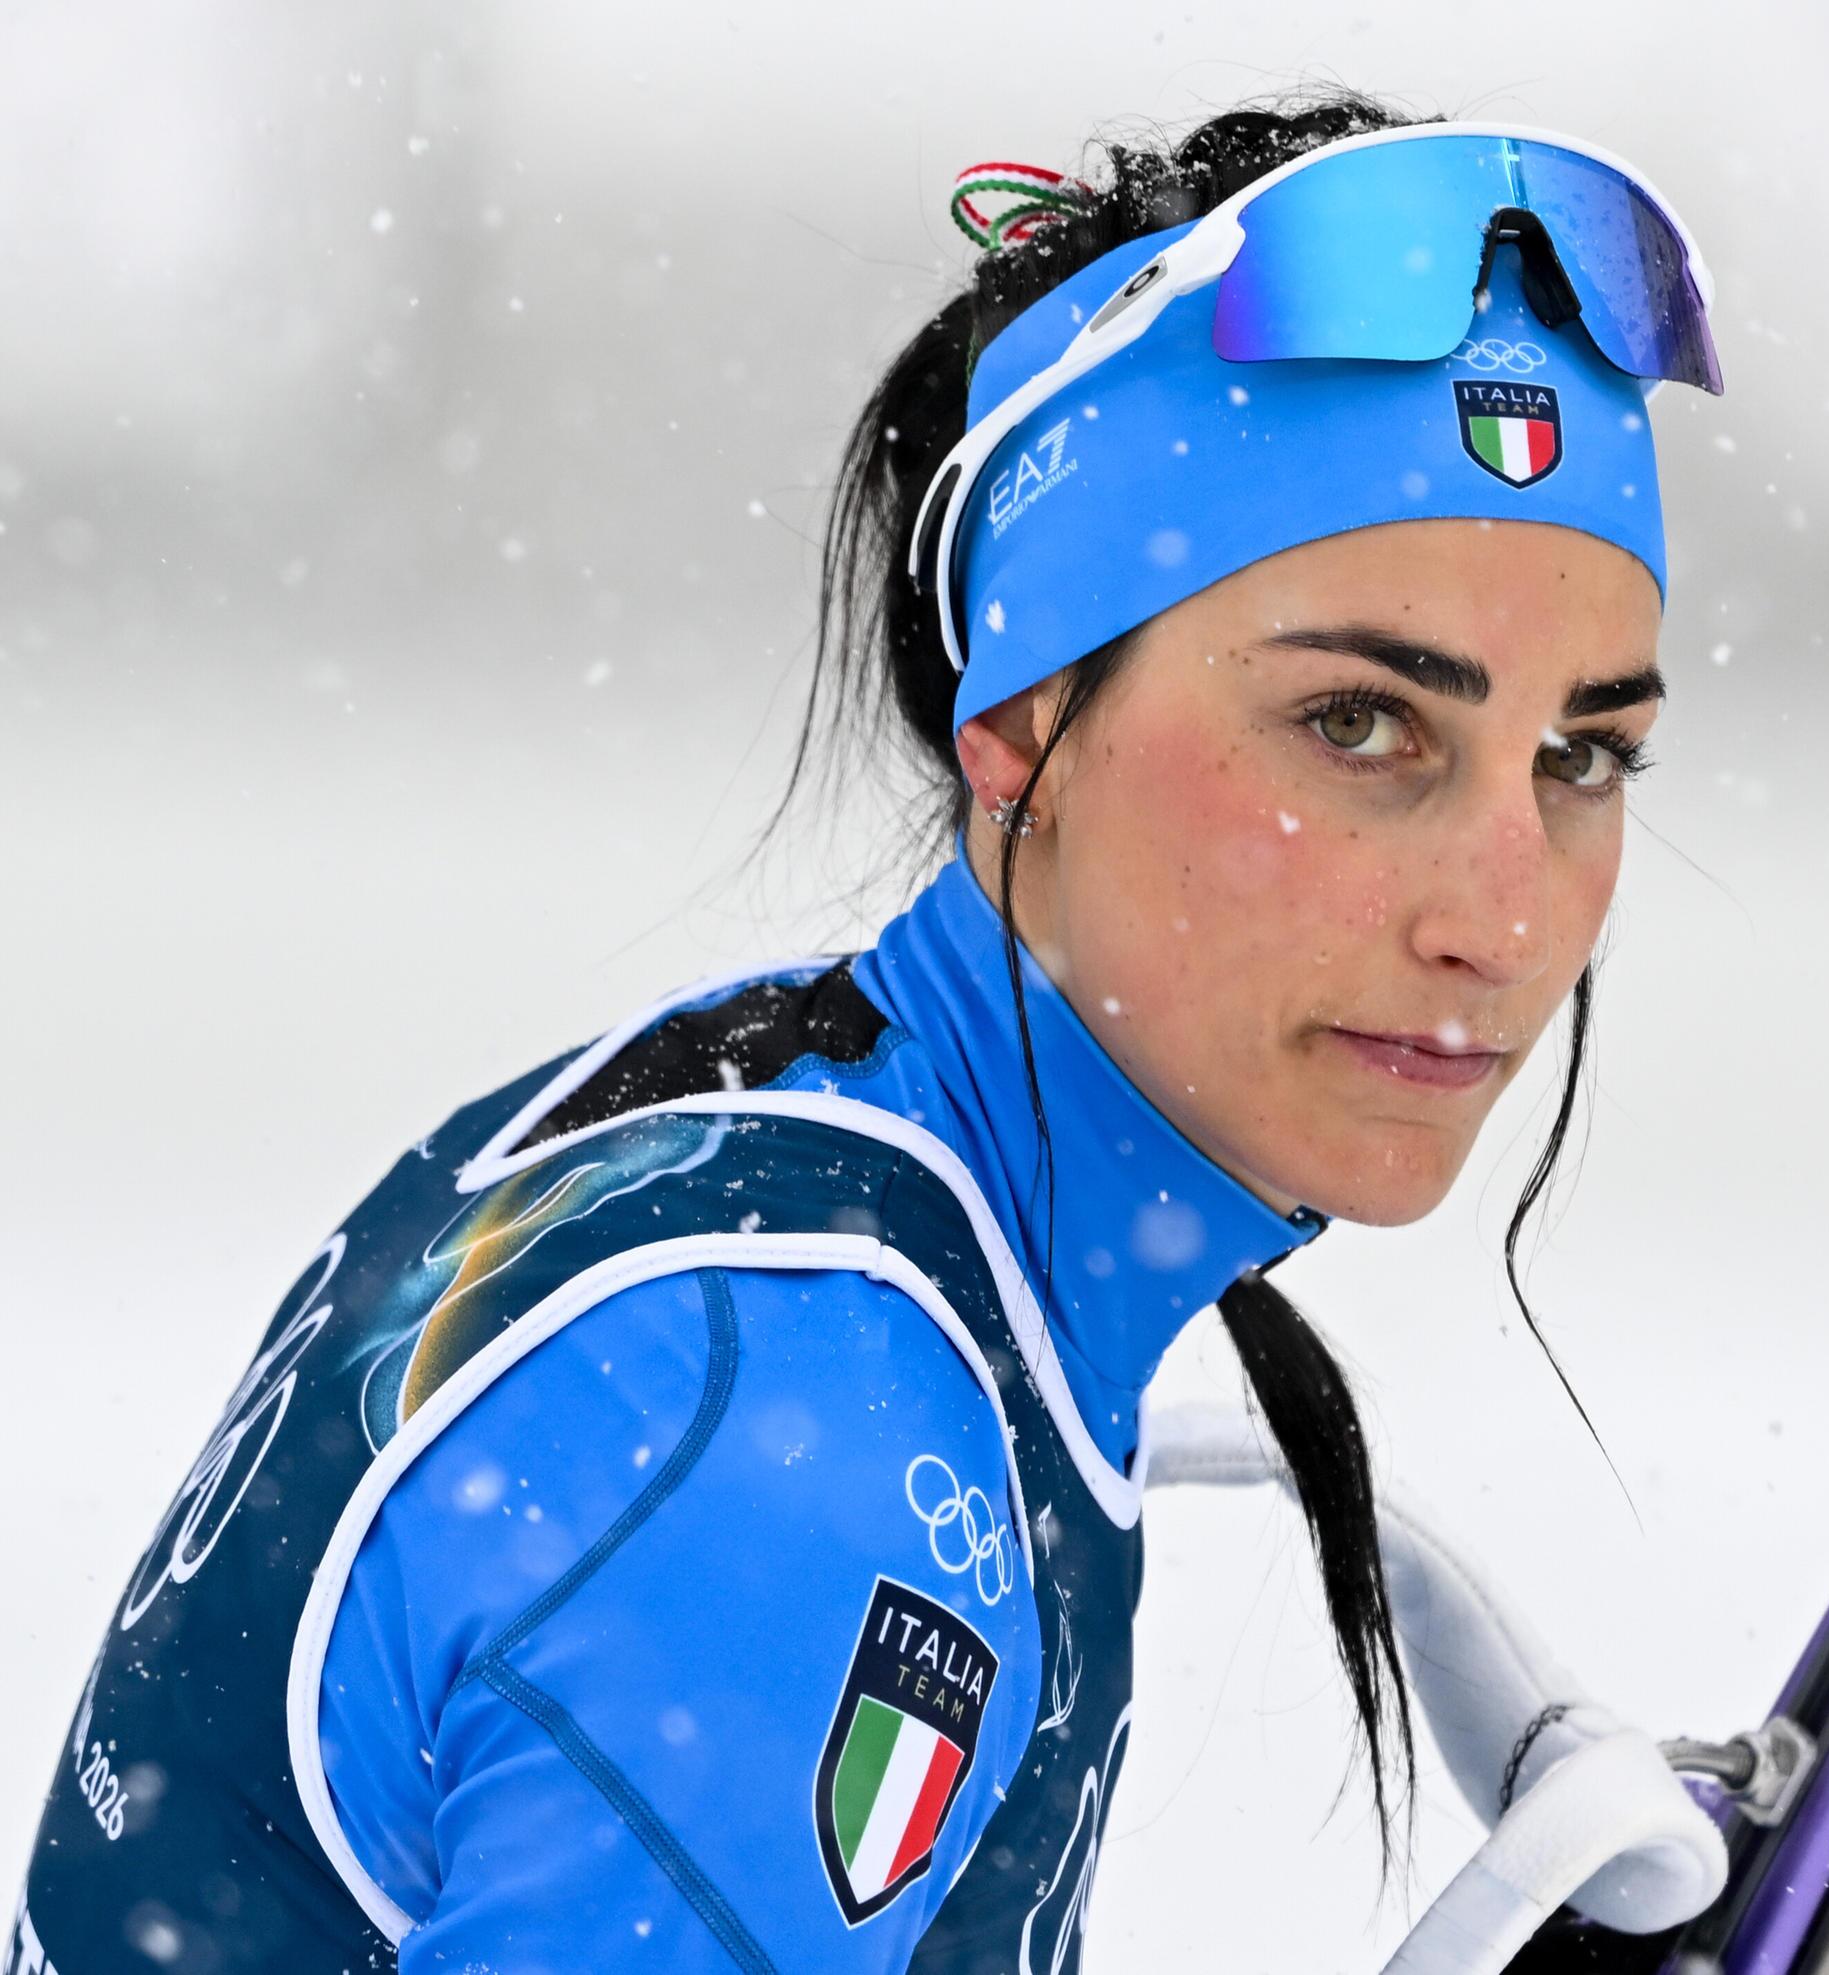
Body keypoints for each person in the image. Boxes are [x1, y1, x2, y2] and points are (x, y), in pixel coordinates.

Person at [7, 94, 1722, 1975]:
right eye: (1358, 727)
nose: (1503, 919)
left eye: (1584, 757)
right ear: (1022, 719)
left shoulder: (783, 1148)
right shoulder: (794, 1444)